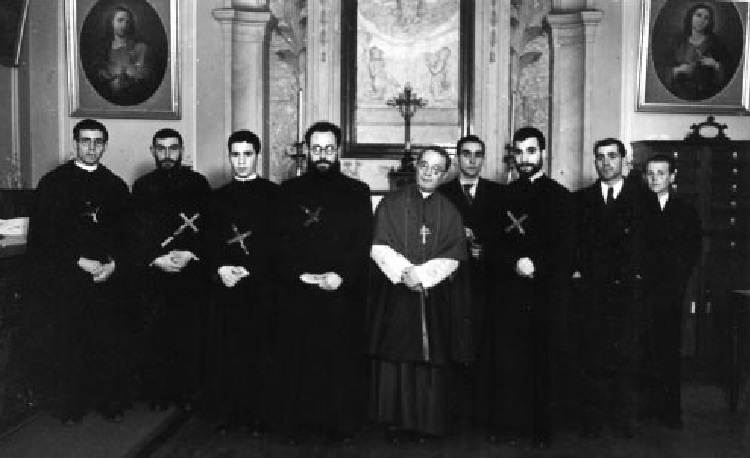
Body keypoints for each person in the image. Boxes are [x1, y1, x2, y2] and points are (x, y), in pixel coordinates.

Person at [24, 119, 132, 425]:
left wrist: (113, 264)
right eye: (86, 141)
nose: (91, 148)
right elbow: (43, 238)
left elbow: (127, 236)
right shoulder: (53, 184)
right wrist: (78, 261)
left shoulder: (115, 186)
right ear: (75, 143)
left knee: (106, 342)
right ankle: (72, 405)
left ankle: (108, 401)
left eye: (98, 142)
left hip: (105, 280)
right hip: (67, 280)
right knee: (70, 344)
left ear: (105, 146)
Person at [274, 121, 373, 442]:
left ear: (338, 150)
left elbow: (363, 241)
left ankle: (340, 425)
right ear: (307, 150)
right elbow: (280, 242)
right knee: (300, 361)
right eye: (316, 149)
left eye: (329, 149)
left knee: (340, 361)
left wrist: (341, 275)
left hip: (341, 291)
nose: (322, 155)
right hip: (300, 291)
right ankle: (300, 426)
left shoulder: (357, 191)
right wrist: (300, 275)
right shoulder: (288, 191)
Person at [368, 146, 470, 441]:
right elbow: (378, 245)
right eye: (424, 165)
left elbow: (454, 254)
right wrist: (404, 273)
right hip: (397, 293)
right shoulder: (390, 203)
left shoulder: (449, 210)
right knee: (397, 354)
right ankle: (395, 422)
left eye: (436, 169)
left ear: (444, 174)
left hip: (432, 296)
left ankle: (426, 423)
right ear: (416, 166)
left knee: (430, 357)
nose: (428, 173)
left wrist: (423, 276)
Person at [481, 127, 574, 448]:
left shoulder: (560, 196)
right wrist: (514, 262)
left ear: (543, 153)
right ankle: (507, 424)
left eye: (531, 151)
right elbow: (492, 242)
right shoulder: (500, 197)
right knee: (508, 360)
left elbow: (566, 247)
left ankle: (541, 428)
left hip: (545, 292)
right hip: (509, 292)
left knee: (543, 361)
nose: (524, 159)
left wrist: (538, 265)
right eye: (519, 152)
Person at [572, 138, 658, 439]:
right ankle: (593, 420)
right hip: (593, 293)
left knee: (628, 357)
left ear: (624, 160)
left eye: (612, 156)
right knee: (592, 356)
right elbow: (575, 246)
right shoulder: (581, 200)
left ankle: (625, 419)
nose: (606, 162)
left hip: (629, 293)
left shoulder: (644, 200)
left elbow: (653, 248)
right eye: (600, 157)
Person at [204, 130, 281, 434]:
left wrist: (252, 270)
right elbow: (209, 243)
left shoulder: (274, 195)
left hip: (261, 287)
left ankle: (259, 416)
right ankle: (229, 415)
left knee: (260, 353)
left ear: (257, 156)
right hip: (227, 286)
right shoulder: (217, 197)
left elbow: (279, 242)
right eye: (235, 155)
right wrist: (221, 268)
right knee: (228, 353)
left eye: (247, 154)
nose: (241, 161)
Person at [130, 128, 211, 412]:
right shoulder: (142, 187)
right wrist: (156, 258)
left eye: (173, 148)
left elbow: (209, 227)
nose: (167, 154)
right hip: (156, 273)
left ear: (182, 151)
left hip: (190, 273)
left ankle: (188, 394)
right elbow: (135, 232)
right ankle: (158, 394)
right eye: (161, 148)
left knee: (188, 335)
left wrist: (189, 253)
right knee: (156, 335)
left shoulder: (198, 184)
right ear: (152, 151)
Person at [437, 134, 502, 430]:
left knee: (485, 348)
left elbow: (505, 235)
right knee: (453, 346)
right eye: (466, 154)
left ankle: (482, 416)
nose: (472, 160)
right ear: (457, 158)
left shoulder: (498, 193)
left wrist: (485, 249)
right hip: (452, 283)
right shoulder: (442, 193)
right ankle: (453, 416)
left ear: (483, 159)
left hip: (487, 283)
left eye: (478, 154)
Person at [642, 154, 702, 429]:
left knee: (668, 349)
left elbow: (691, 251)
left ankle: (670, 411)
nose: (655, 178)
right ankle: (645, 408)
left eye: (661, 173)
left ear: (672, 177)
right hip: (642, 290)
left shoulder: (685, 211)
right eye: (651, 173)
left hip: (671, 291)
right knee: (644, 349)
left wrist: (675, 282)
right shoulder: (638, 208)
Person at [659, 3, 731, 101]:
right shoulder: (676, 43)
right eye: (698, 15)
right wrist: (678, 70)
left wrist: (715, 65)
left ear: (709, 22)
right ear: (691, 17)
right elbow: (663, 72)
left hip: (708, 96)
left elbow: (728, 76)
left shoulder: (717, 44)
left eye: (706, 18)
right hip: (680, 96)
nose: (702, 20)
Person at [87, 5, 157, 105]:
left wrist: (129, 77)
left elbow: (145, 76)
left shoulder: (140, 48)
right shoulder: (103, 50)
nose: (124, 25)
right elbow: (98, 76)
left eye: (127, 22)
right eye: (120, 20)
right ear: (112, 22)